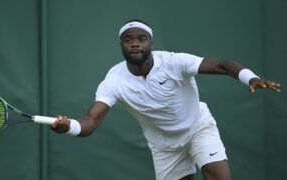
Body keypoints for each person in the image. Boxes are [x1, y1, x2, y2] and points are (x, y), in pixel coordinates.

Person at [50, 19, 281, 180]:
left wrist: (250, 78)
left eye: (141, 38)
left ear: (151, 43)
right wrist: (68, 126)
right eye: (128, 39)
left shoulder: (173, 62)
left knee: (217, 175)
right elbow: (90, 122)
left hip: (198, 127)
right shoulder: (113, 81)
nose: (135, 43)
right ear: (121, 45)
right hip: (164, 145)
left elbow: (223, 65)